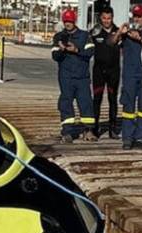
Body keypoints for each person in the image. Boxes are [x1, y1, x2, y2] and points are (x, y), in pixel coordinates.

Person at [52, 10, 96, 143]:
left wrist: (76, 50)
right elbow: (54, 56)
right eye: (66, 21)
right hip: (66, 77)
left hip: (82, 77)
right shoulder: (59, 37)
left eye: (70, 21)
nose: (68, 24)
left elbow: (90, 52)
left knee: (86, 103)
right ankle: (67, 132)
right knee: (66, 103)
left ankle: (88, 130)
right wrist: (61, 49)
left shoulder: (84, 35)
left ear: (74, 21)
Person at [111, 4, 142, 150]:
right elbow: (111, 43)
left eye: (139, 16)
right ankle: (127, 138)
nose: (137, 18)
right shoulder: (126, 33)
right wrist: (119, 32)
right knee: (128, 106)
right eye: (135, 16)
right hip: (130, 75)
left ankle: (141, 136)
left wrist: (139, 38)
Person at [90, 6, 121, 139]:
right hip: (98, 71)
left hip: (113, 71)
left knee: (112, 99)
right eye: (104, 18)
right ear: (100, 18)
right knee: (96, 99)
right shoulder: (94, 31)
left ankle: (112, 128)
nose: (107, 21)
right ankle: (94, 128)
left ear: (112, 18)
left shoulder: (119, 32)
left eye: (109, 18)